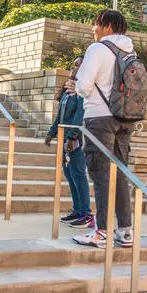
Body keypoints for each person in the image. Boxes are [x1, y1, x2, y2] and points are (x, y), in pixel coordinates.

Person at [72, 9, 136, 249]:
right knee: (119, 174)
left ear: (108, 26)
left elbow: (84, 85)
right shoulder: (130, 50)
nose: (93, 29)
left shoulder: (98, 49)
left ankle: (101, 232)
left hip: (99, 118)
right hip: (125, 118)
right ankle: (125, 232)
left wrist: (80, 88)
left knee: (100, 174)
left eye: (96, 24)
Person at [45, 56, 93, 229]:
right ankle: (77, 210)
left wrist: (72, 137)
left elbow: (80, 115)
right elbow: (60, 116)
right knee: (70, 175)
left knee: (79, 175)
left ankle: (86, 214)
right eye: (73, 64)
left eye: (78, 65)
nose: (74, 68)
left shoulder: (82, 91)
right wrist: (51, 133)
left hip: (75, 140)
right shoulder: (68, 90)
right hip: (63, 139)